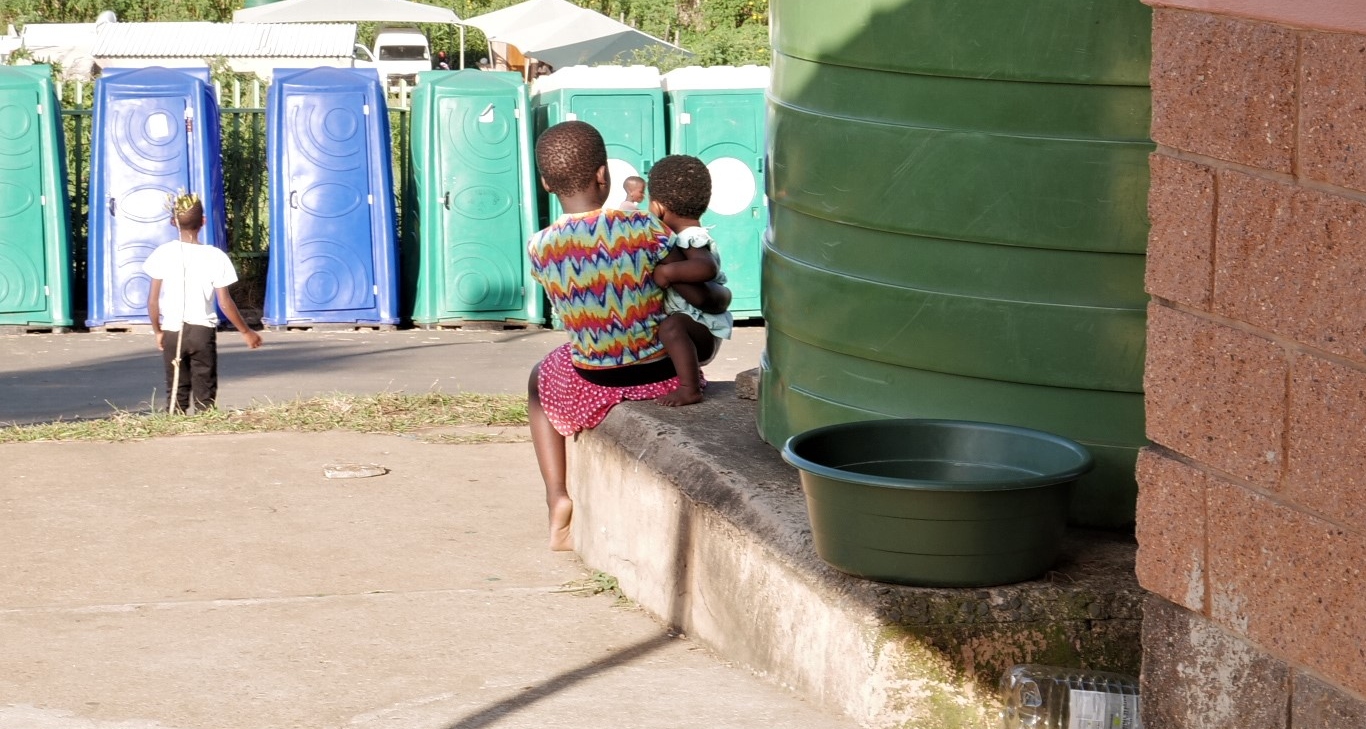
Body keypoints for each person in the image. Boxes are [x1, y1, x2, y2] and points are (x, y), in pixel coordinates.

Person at [526, 121, 688, 551]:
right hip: (663, 371)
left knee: (539, 377)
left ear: (545, 183)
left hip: (595, 377)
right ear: (604, 175)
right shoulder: (643, 226)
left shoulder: (540, 246)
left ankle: (556, 493)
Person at [144, 193, 262, 414]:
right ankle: (205, 421)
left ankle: (173, 425)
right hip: (202, 332)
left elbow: (152, 302)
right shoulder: (215, 256)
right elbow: (225, 303)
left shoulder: (162, 253)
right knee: (205, 387)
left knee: (176, 388)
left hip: (172, 330)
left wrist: (157, 331)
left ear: (173, 222)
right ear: (204, 222)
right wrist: (246, 331)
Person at [647, 155, 734, 407]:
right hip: (700, 325)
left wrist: (668, 273)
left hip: (701, 328)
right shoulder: (682, 235)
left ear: (657, 207)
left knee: (671, 328)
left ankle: (690, 389)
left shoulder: (690, 236)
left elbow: (706, 267)